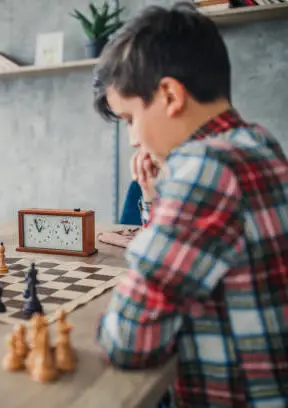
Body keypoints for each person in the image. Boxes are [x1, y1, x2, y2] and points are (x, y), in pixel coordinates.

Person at [93, 3, 288, 407]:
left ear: (169, 94)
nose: (132, 138)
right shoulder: (258, 142)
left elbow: (129, 339)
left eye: (130, 118)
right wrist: (157, 193)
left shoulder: (206, 166)